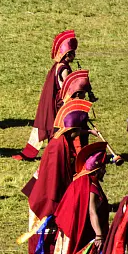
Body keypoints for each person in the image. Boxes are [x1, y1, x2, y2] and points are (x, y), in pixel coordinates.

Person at [20, 99, 92, 254]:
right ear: (73, 129)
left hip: (53, 191)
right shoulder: (57, 146)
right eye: (80, 130)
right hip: (48, 195)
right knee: (48, 227)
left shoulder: (62, 140)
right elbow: (53, 177)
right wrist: (58, 201)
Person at [40, 142, 109, 254]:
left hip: (74, 227)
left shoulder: (80, 180)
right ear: (97, 170)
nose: (105, 171)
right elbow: (92, 212)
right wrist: (99, 234)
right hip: (80, 230)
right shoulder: (90, 187)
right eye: (103, 168)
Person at [14, 30, 78, 161]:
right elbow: (65, 88)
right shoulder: (64, 69)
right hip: (60, 104)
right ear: (67, 54)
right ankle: (66, 152)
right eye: (72, 53)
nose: (75, 55)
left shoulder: (58, 66)